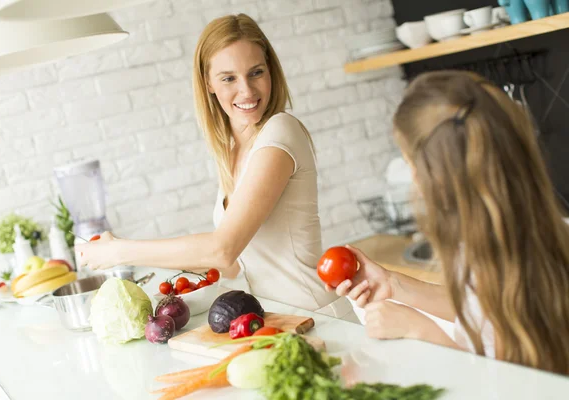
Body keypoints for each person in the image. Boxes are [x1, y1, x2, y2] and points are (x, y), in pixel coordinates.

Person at [76, 14, 347, 316]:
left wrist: (119, 251)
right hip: (274, 319)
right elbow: (230, 263)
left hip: (316, 316)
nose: (247, 91)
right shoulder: (234, 148)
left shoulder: (280, 132)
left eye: (256, 73)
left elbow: (223, 248)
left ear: (271, 71)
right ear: (208, 83)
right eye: (229, 78)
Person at [332, 70, 569, 375]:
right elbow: (485, 309)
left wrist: (419, 329)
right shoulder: (525, 232)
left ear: (433, 175)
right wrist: (396, 286)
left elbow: (516, 380)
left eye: (410, 163)